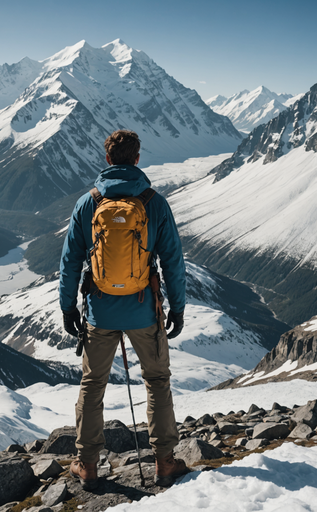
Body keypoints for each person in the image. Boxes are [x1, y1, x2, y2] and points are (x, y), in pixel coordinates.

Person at [59, 129, 187, 489]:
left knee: (92, 384)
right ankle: (165, 462)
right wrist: (177, 307)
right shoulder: (154, 203)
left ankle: (87, 465)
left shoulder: (89, 203)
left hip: (99, 311)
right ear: (137, 159)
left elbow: (70, 262)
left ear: (106, 159)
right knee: (157, 381)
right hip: (144, 311)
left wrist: (68, 307)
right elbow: (173, 261)